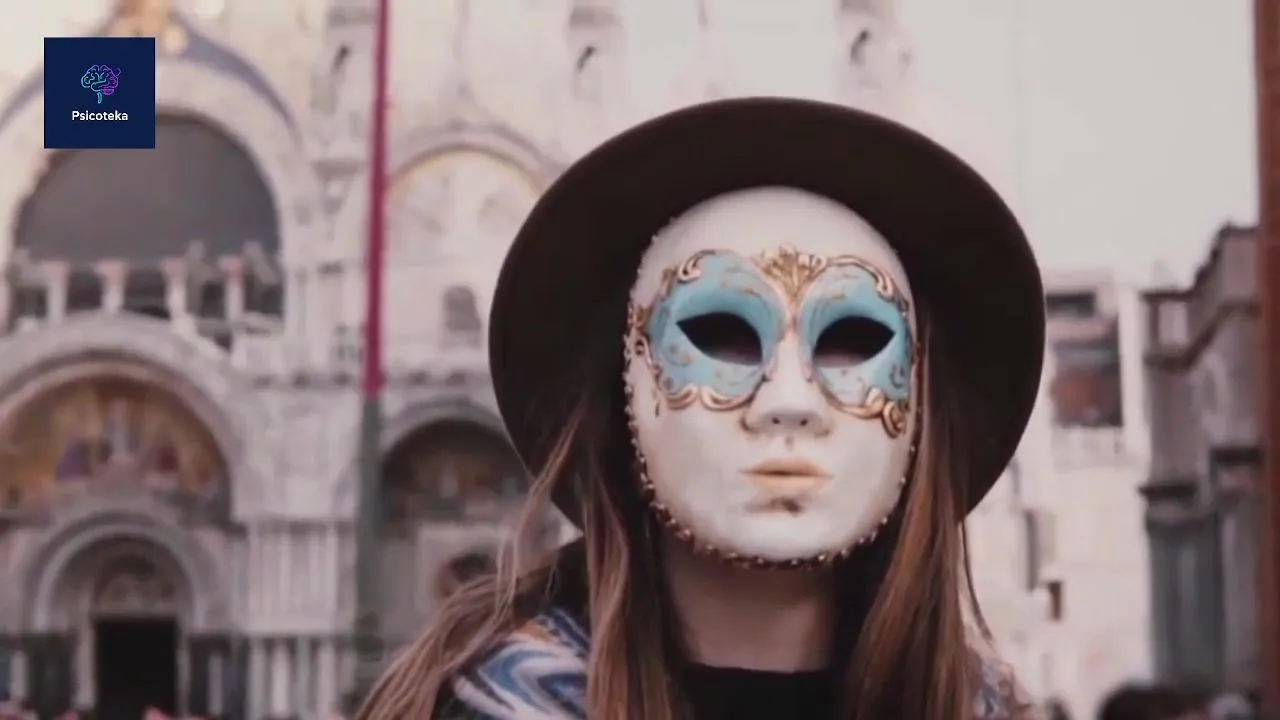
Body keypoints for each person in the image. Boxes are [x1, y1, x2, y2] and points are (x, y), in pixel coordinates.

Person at [358, 97, 1045, 719]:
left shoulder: (973, 708)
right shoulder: (496, 705)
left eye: (851, 342)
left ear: (920, 400)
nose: (789, 403)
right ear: (624, 395)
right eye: (720, 336)